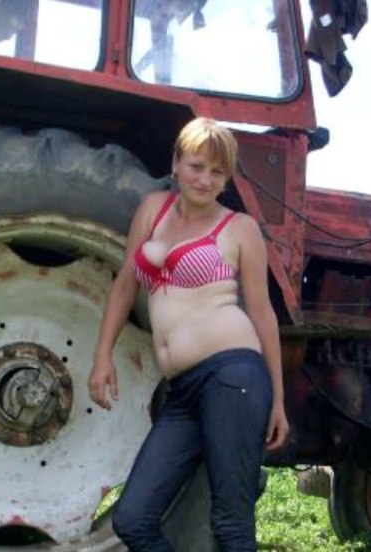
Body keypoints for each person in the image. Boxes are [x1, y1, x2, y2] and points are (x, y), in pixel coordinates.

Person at [89, 117, 289, 551]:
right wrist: (102, 356)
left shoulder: (239, 229)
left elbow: (262, 313)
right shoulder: (153, 209)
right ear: (176, 163)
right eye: (197, 166)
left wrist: (277, 398)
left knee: (230, 521)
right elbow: (125, 285)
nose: (206, 179)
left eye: (217, 172)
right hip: (183, 392)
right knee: (134, 518)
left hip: (233, 377)